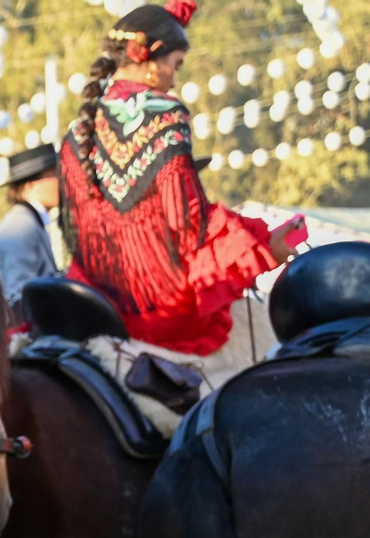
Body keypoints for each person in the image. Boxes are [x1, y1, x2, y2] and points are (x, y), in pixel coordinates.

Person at [59, 0, 302, 357]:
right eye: (176, 65)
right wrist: (263, 245)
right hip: (157, 310)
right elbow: (187, 226)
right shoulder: (166, 114)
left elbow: (77, 228)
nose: (175, 77)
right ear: (151, 62)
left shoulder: (78, 128)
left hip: (93, 296)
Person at [0, 143, 61, 317]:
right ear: (32, 186)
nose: (62, 180)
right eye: (54, 174)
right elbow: (18, 296)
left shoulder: (29, 221)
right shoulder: (19, 226)